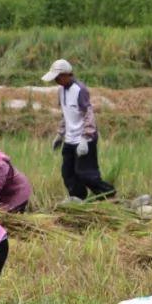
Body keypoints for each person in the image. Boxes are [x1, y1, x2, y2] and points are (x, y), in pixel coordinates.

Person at [41, 59, 115, 200]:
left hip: (83, 139)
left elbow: (88, 114)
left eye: (57, 77)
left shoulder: (80, 90)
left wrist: (85, 138)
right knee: (67, 173)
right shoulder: (61, 91)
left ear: (66, 75)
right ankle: (78, 199)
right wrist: (59, 135)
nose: (56, 81)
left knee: (86, 174)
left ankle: (108, 194)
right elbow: (66, 114)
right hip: (69, 139)